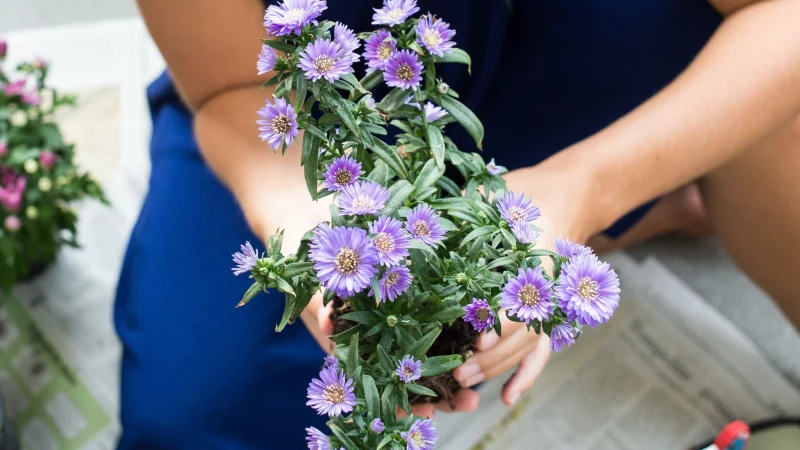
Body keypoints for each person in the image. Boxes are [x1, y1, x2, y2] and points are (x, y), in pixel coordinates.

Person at [117, 0, 800, 448]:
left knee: (762, 112)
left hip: (583, 40)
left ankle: (643, 190)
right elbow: (231, 85)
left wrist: (579, 191)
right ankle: (645, 210)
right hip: (324, 118)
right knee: (193, 417)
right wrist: (301, 219)